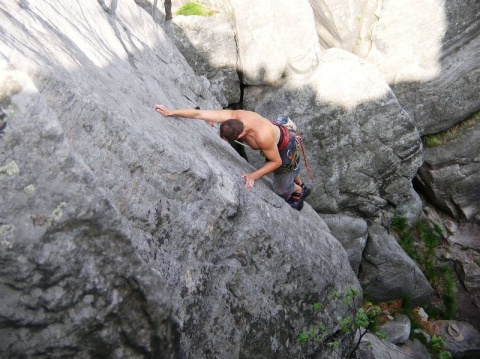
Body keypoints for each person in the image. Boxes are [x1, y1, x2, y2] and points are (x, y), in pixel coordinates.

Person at [154, 105, 310, 210]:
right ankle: (301, 183)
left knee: (281, 187)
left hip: (285, 148)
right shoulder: (235, 116)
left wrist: (252, 176)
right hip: (277, 137)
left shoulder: (262, 137)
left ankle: (297, 191)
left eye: (228, 140)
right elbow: (198, 113)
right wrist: (170, 112)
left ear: (241, 135)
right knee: (290, 169)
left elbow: (276, 162)